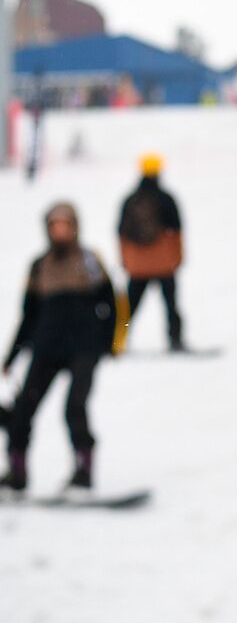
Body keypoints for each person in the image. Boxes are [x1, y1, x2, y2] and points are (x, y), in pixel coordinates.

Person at [1, 203, 117, 496]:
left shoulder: (89, 261)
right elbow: (28, 317)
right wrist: (11, 357)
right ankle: (17, 473)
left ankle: (83, 472)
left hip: (84, 347)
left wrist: (111, 341)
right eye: (55, 226)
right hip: (47, 346)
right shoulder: (39, 266)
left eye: (65, 225)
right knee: (23, 411)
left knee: (74, 409)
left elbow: (113, 304)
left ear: (75, 227)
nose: (60, 231)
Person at [118, 153, 185, 352]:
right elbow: (177, 231)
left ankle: (116, 342)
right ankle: (175, 340)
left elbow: (120, 232)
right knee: (171, 306)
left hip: (138, 265)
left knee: (128, 308)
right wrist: (178, 257)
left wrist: (126, 260)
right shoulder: (166, 199)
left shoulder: (130, 200)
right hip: (164, 264)